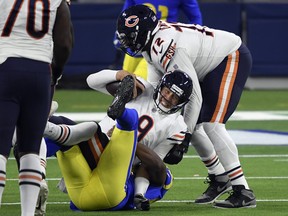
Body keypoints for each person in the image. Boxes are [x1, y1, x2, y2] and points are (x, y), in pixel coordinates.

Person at [116, 4, 256, 208]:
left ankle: (243, 190)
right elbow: (155, 89)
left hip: (229, 57)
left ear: (144, 32)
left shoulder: (165, 45)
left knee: (211, 124)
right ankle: (219, 177)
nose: (128, 42)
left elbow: (194, 96)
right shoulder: (152, 46)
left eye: (130, 37)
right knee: (190, 122)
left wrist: (184, 140)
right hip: (208, 65)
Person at [43, 76, 173, 211]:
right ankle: (35, 153)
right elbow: (151, 167)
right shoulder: (144, 180)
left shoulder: (161, 175)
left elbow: (158, 166)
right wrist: (139, 195)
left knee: (123, 122)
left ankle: (120, 111)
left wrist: (132, 143)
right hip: (83, 199)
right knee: (68, 137)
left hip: (111, 192)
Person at [0, 1, 73, 215]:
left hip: (5, 67)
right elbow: (65, 43)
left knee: (1, 149)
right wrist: (55, 73)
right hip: (40, 72)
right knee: (30, 148)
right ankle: (28, 213)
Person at [110, 0, 202, 80]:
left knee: (138, 86)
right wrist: (119, 34)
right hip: (134, 44)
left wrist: (190, 38)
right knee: (122, 84)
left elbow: (195, 18)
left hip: (158, 46)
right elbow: (125, 15)